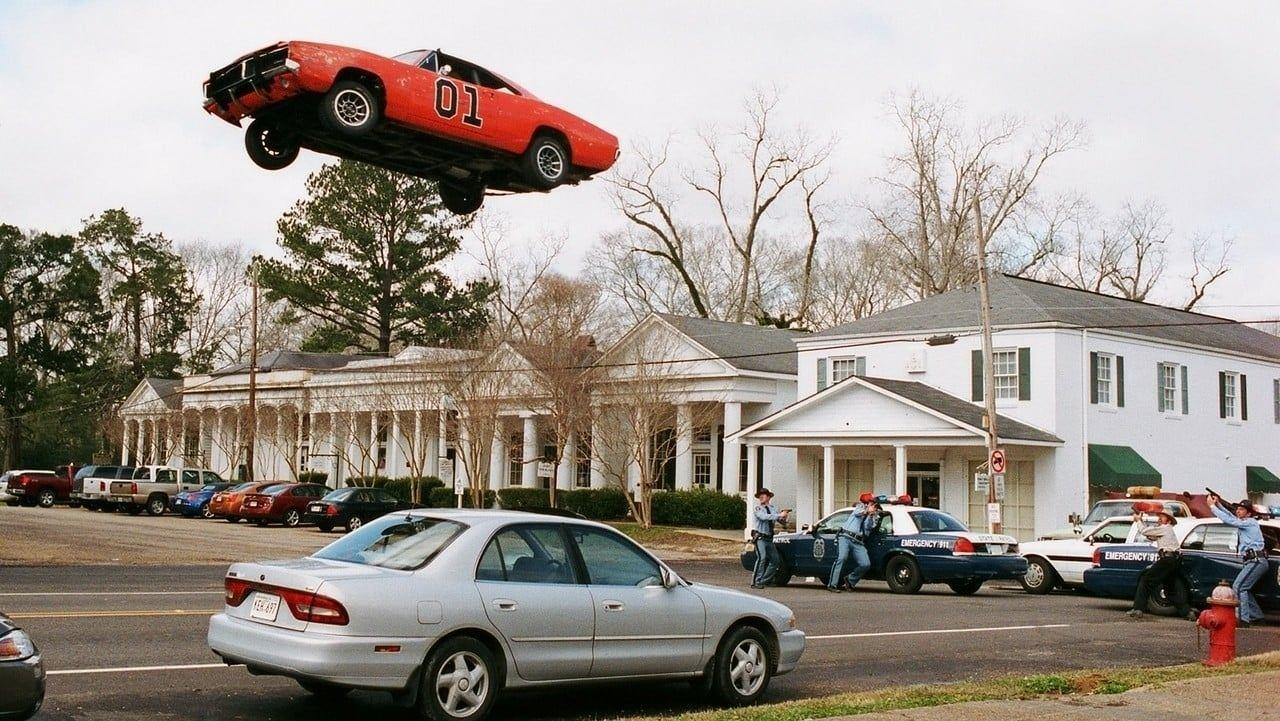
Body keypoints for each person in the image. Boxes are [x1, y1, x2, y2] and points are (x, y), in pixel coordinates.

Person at [1206, 493, 1268, 626]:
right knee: (1244, 588)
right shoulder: (1244, 522)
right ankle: (1257, 616)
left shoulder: (1250, 522)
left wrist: (1212, 506)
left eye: (1241, 509)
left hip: (1256, 560)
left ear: (1249, 513)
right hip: (1253, 560)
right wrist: (1218, 504)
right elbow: (1230, 517)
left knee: (1238, 587)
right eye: (1238, 509)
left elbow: (1230, 520)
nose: (1238, 511)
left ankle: (1243, 619)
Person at [1127, 509, 1196, 620]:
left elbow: (1145, 531)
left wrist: (1138, 520)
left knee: (1145, 580)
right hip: (1174, 560)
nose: (1159, 518)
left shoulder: (1164, 528)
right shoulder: (1166, 529)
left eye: (1162, 516)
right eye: (1159, 516)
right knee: (1171, 589)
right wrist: (1142, 523)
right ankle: (1187, 612)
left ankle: (1138, 609)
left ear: (1168, 521)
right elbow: (1151, 535)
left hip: (1167, 560)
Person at [827, 494, 879, 593]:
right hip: (845, 537)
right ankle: (832, 584)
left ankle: (850, 580)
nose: (874, 507)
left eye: (875, 505)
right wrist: (867, 511)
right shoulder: (859, 507)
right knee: (842, 558)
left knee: (865, 564)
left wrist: (870, 515)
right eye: (872, 504)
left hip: (858, 541)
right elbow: (857, 513)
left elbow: (868, 527)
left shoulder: (874, 515)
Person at [750, 488, 789, 589]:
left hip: (769, 538)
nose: (761, 497)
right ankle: (755, 582)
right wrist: (779, 515)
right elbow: (763, 517)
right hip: (760, 538)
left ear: (768, 497)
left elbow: (781, 522)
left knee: (775, 561)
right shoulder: (758, 508)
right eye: (760, 496)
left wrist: (784, 518)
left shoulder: (773, 508)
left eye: (763, 495)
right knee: (761, 558)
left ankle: (764, 580)